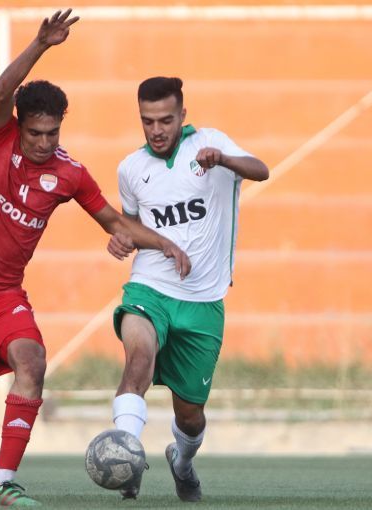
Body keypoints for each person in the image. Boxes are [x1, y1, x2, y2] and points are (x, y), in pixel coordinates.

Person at [0, 10, 190, 506]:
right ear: (19, 126)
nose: (45, 142)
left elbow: (114, 222)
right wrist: (41, 44)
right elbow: (1, 91)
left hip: (2, 298)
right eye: (36, 133)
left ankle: (2, 484)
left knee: (33, 360)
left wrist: (164, 243)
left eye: (53, 133)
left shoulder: (69, 174)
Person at [108, 76, 269, 501]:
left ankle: (181, 462)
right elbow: (131, 227)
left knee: (191, 415)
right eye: (147, 121)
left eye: (165, 120)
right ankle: (127, 459)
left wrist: (225, 160)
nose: (156, 130)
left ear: (182, 114)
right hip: (149, 289)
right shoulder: (131, 169)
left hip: (203, 302)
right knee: (138, 361)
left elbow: (262, 170)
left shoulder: (210, 143)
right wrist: (122, 239)